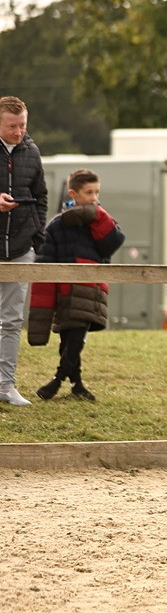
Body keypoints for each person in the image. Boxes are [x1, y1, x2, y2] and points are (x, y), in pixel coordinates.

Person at [28, 169, 125, 401]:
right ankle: (78, 385)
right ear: (73, 193)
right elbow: (45, 264)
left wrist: (99, 216)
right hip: (65, 294)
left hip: (90, 292)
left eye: (97, 192)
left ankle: (58, 380)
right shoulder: (56, 226)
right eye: (88, 192)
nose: (94, 197)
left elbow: (113, 243)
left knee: (76, 339)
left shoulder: (102, 220)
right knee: (69, 341)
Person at [0, 96, 48, 407]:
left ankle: (5, 386)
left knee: (12, 320)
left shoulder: (32, 151)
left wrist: (37, 236)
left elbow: (41, 196)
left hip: (20, 248)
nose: (19, 132)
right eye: (12, 126)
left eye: (23, 126)